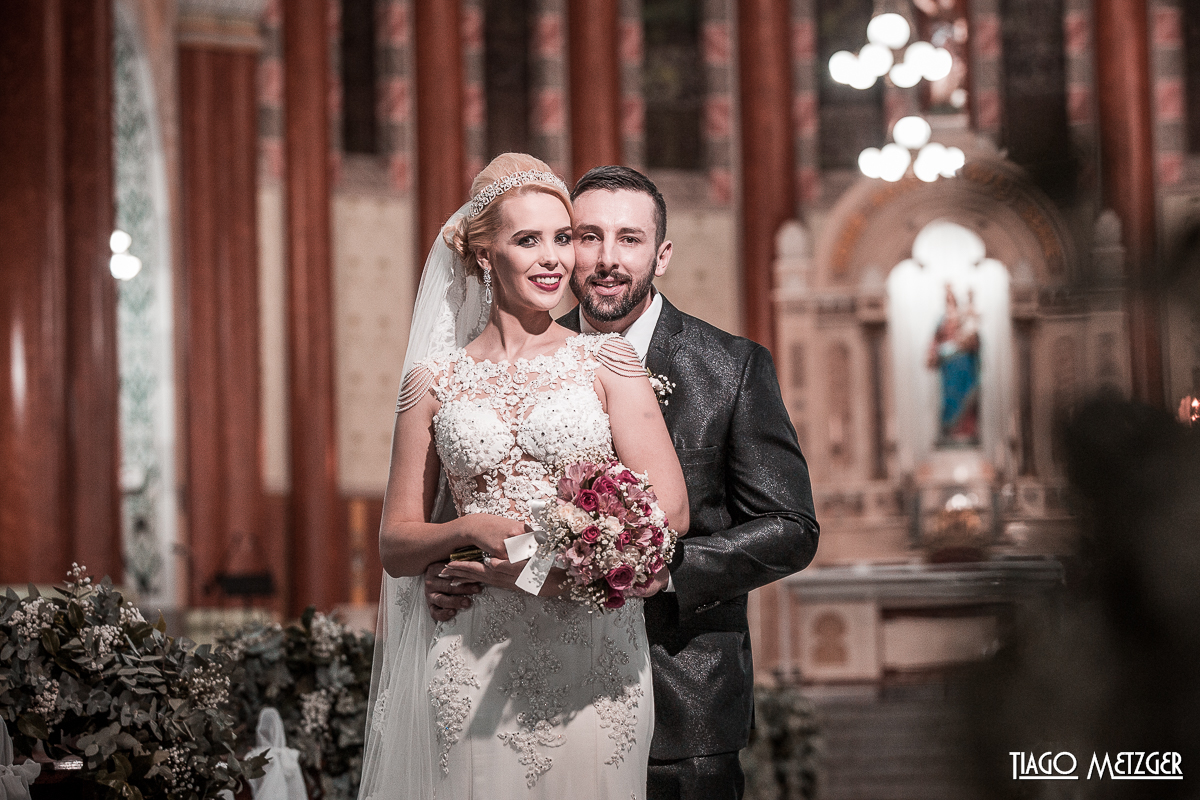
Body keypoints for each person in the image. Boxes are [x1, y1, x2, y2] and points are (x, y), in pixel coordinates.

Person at [426, 166, 820, 799]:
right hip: (529, 688)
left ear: (661, 255)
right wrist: (452, 571)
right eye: (588, 236)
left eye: (630, 239)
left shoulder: (731, 367)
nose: (607, 259)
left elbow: (792, 529)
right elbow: (480, 509)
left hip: (681, 698)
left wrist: (662, 572)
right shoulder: (507, 367)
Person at [357, 154, 689, 800]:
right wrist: (465, 531)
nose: (554, 259)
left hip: (593, 658)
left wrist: (544, 564)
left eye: (563, 238)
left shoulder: (608, 361)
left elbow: (668, 514)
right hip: (473, 651)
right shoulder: (432, 381)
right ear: (484, 253)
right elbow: (395, 543)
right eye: (527, 240)